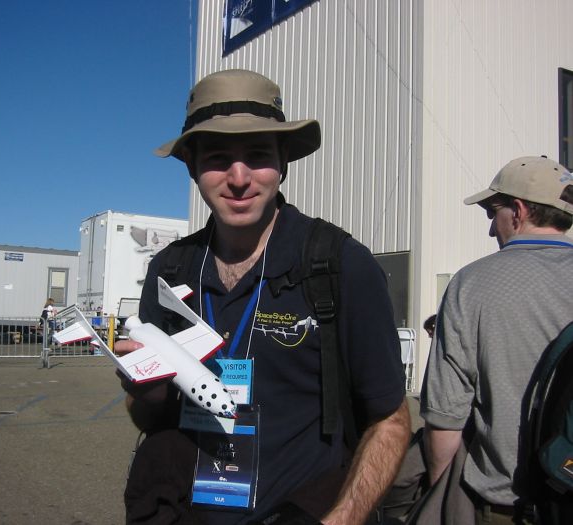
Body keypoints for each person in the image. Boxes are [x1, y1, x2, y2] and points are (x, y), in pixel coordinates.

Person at [116, 69, 410, 524]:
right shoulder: (168, 271)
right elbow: (149, 420)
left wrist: (344, 519)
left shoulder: (339, 266)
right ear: (192, 167)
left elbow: (390, 420)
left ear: (283, 163)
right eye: (217, 157)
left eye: (257, 155)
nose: (238, 177)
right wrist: (146, 393)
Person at [420, 155, 573, 523]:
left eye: (493, 211)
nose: (492, 228)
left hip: (509, 507)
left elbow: (445, 421)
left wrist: (443, 496)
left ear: (518, 211)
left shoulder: (472, 285)